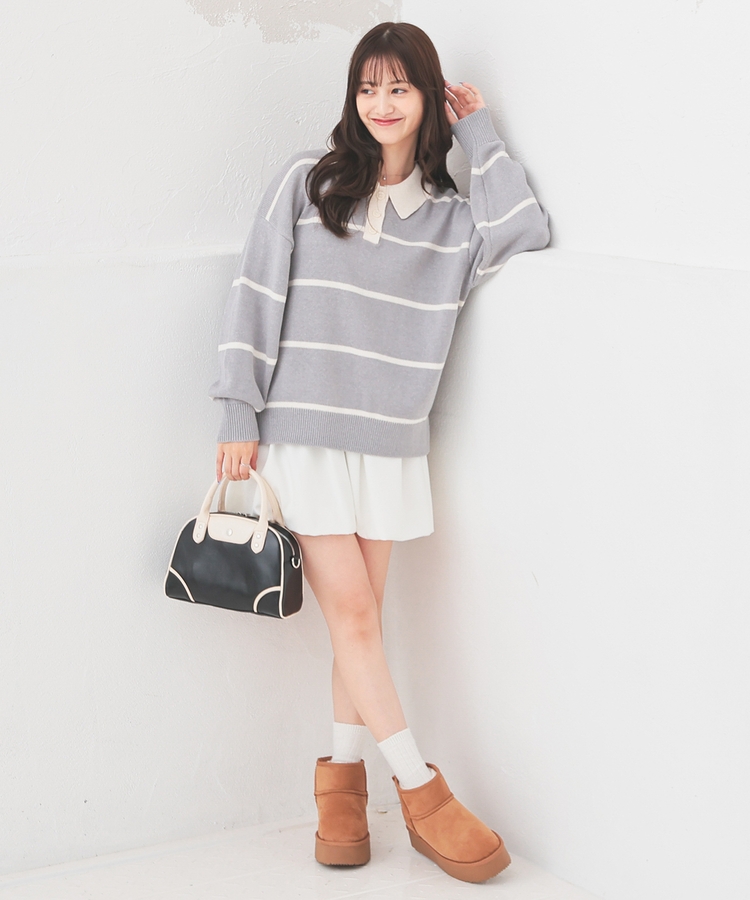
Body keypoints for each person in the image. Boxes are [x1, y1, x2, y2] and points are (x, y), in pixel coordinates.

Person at [209, 21, 549, 884]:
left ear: (428, 98)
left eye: (400, 87)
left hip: (392, 447)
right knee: (357, 620)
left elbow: (525, 228)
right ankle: (422, 790)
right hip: (304, 438)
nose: (382, 104)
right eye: (368, 87)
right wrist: (238, 410)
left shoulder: (451, 221)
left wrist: (481, 133)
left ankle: (341, 793)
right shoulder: (309, 183)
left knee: (357, 628)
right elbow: (254, 291)